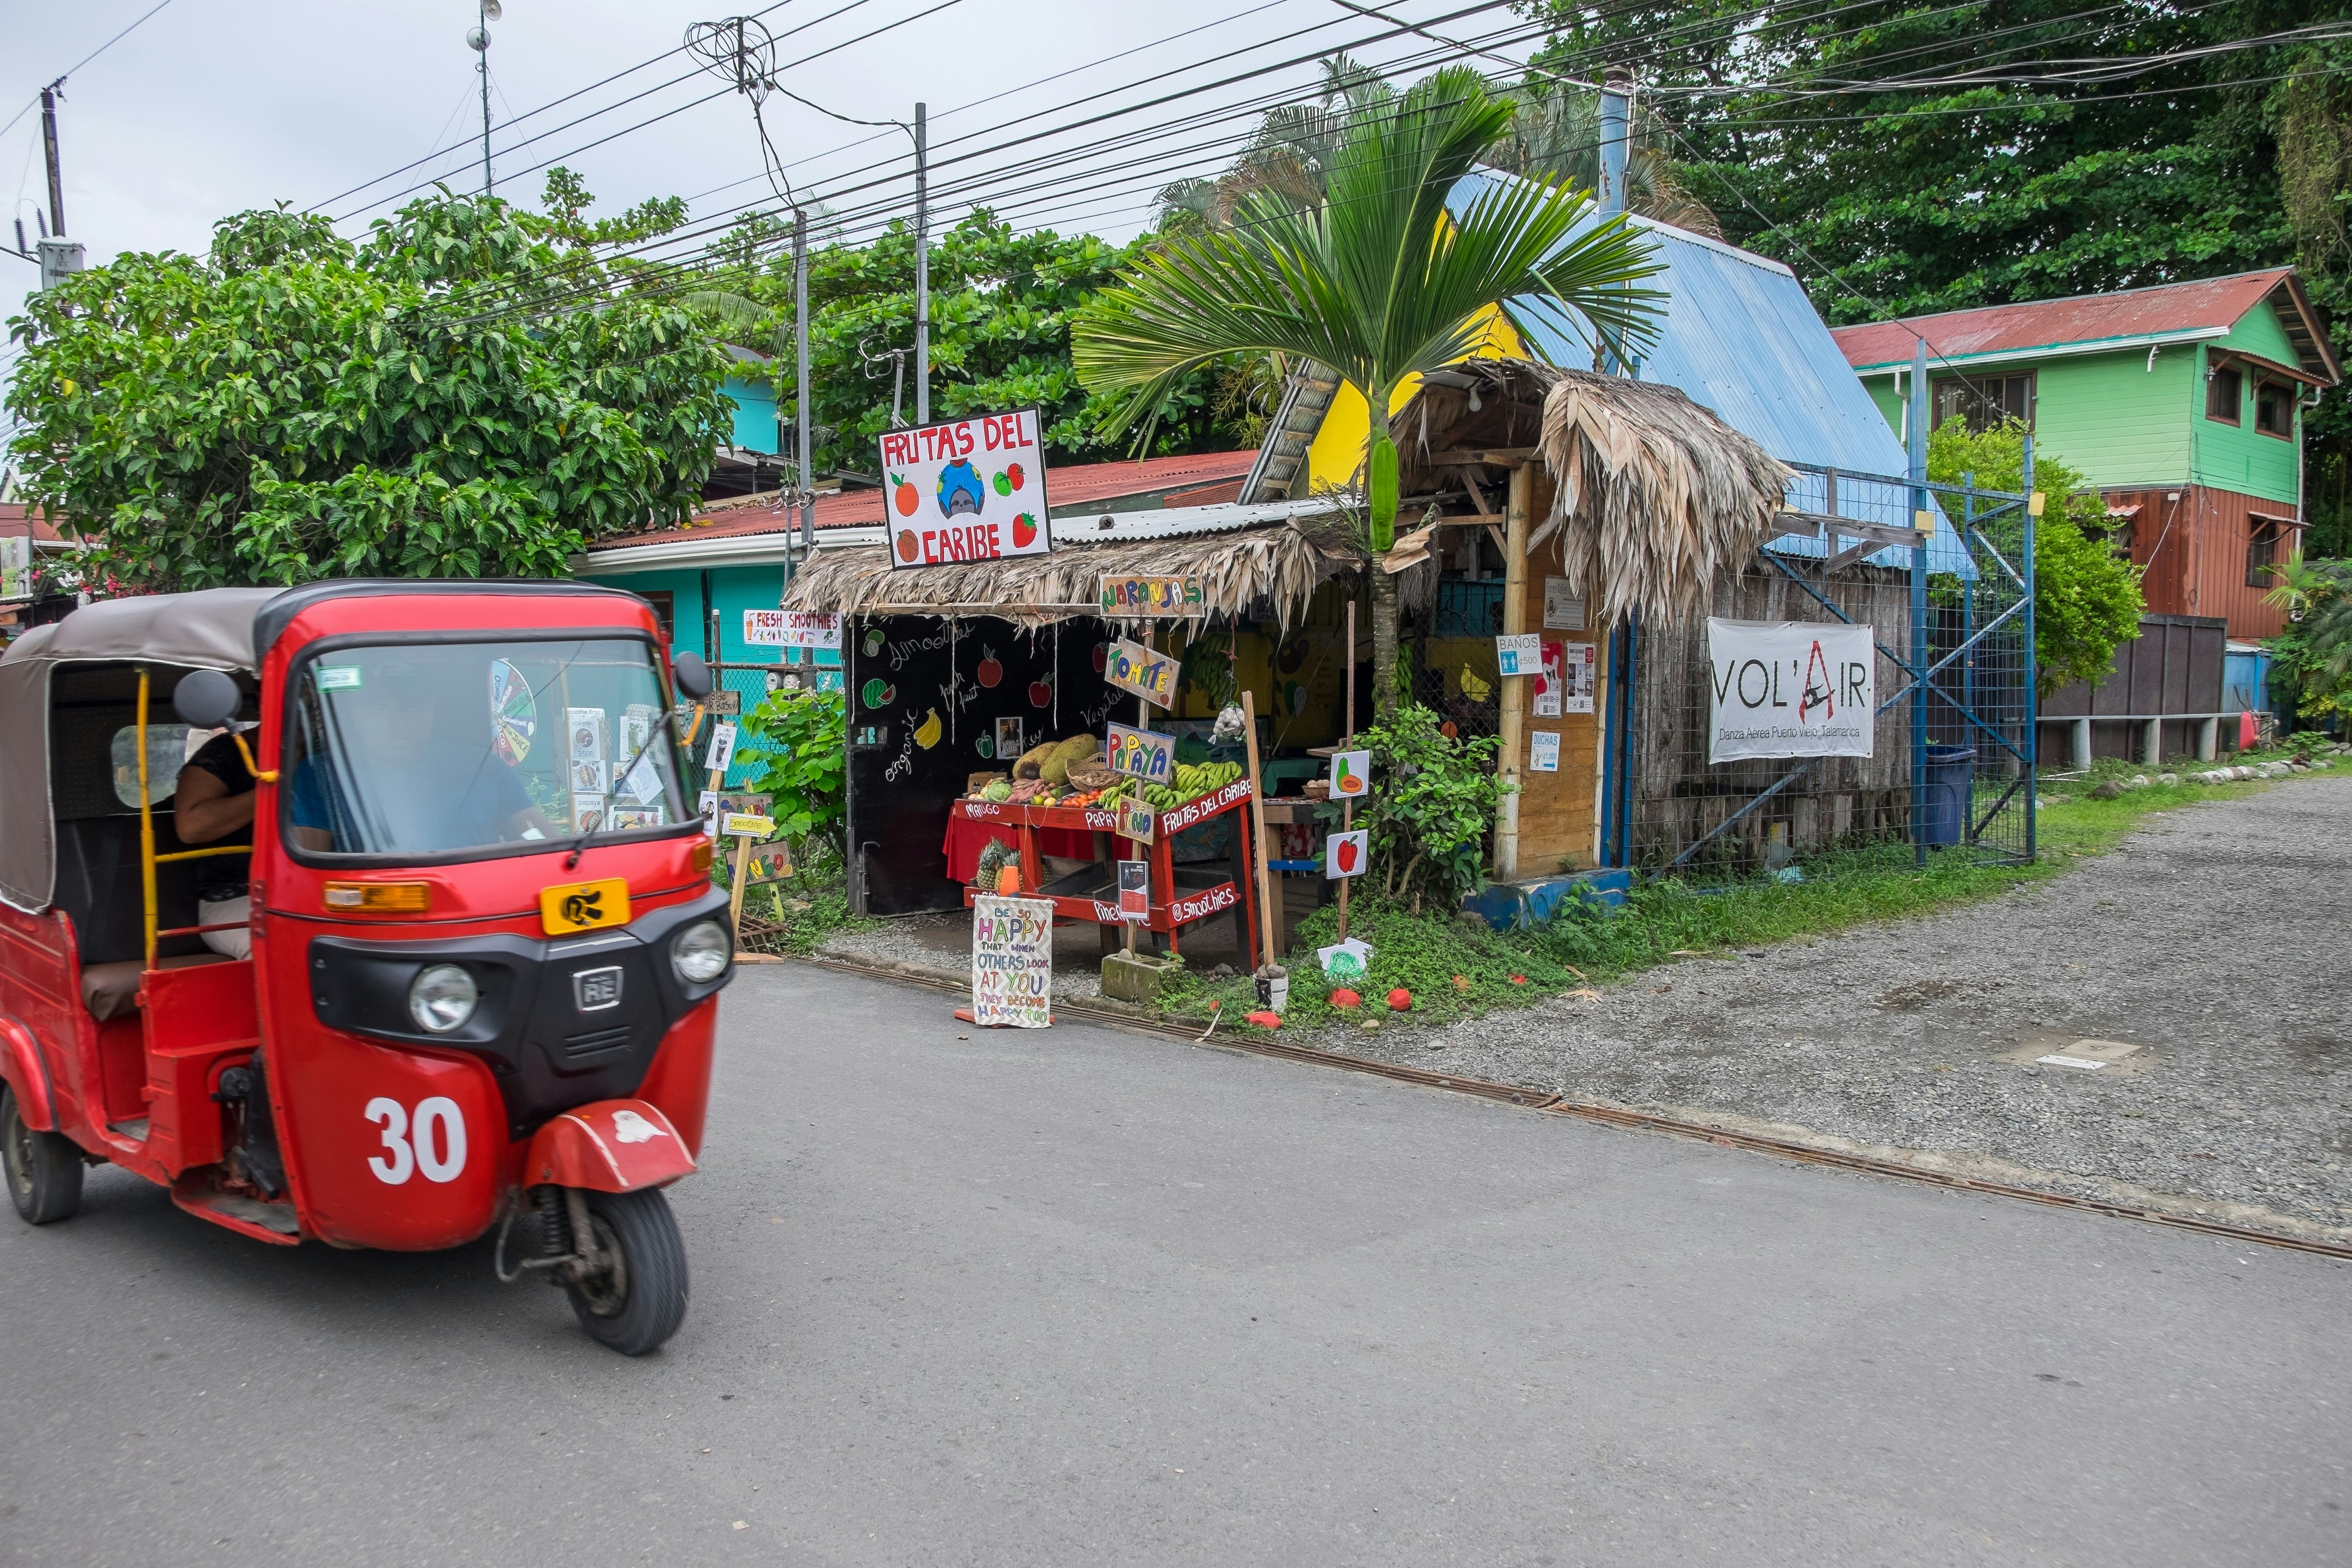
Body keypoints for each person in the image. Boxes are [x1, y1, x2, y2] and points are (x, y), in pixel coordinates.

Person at [288, 667, 555, 854]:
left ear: (432, 713)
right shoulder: (319, 774)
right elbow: (308, 864)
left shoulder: (484, 768)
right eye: (379, 710)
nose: (396, 725)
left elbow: (537, 837)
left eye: (411, 709)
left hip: (476, 905)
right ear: (357, 718)